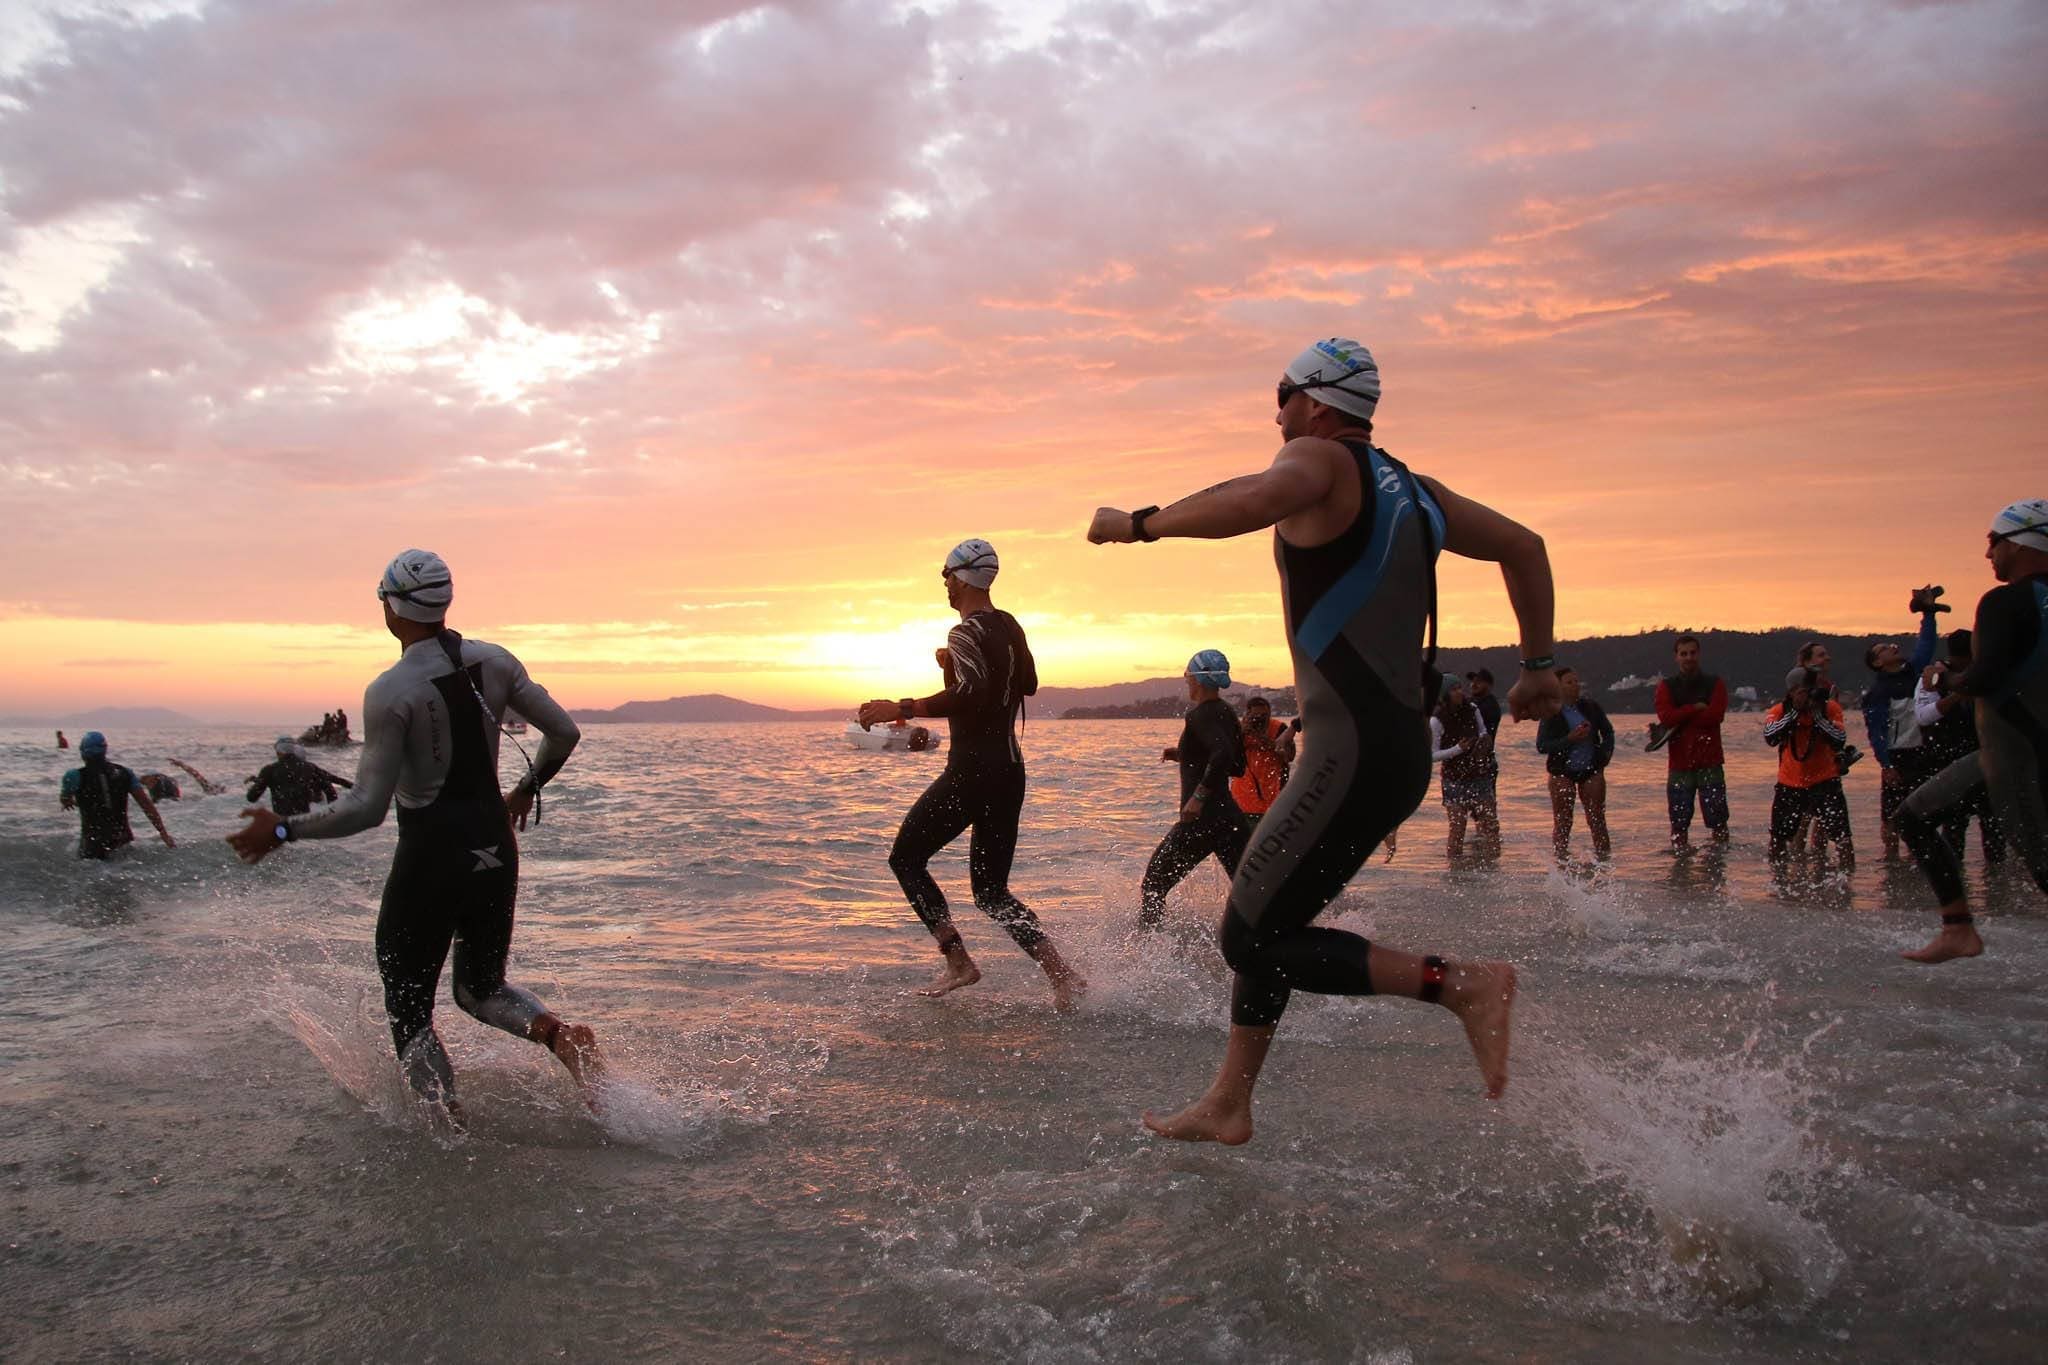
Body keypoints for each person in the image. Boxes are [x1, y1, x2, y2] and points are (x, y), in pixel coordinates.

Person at [1087, 335, 1556, 1144]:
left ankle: (1463, 984)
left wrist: (1139, 523)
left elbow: (1251, 499)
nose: (1276, 415)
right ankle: (1231, 1099)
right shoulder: (1416, 490)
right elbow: (1526, 545)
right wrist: (1539, 664)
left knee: (1247, 934)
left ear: (1316, 402)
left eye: (1281, 396)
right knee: (1274, 917)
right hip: (1393, 754)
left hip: (1348, 757)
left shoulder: (1320, 461)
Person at [227, 549, 600, 1119]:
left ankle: (446, 1123)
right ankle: (557, 1036)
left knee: (408, 1004)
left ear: (393, 607)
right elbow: (564, 732)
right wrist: (526, 787)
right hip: (495, 843)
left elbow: (365, 808)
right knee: (480, 989)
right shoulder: (497, 660)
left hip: (433, 851)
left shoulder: (392, 689)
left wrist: (283, 828)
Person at [856, 539, 1084, 1007]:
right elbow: (1028, 684)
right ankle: (1063, 976)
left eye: (946, 574)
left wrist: (901, 706)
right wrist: (955, 666)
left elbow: (971, 695)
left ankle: (957, 960)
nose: (943, 582)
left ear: (961, 578)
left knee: (906, 858)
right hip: (1009, 771)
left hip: (973, 771)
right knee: (992, 891)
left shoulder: (964, 632)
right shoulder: (1008, 624)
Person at [1897, 500, 2048, 963]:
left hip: (2013, 755)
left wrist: (1945, 679)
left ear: (2021, 540)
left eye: (1993, 542)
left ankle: (1958, 928)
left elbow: (1985, 678)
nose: (1988, 555)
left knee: (1912, 818)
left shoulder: (2007, 600)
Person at [1140, 651, 1251, 928]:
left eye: (1187, 675)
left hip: (1203, 821)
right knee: (1250, 892)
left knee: (1153, 884)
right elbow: (1237, 765)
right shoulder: (1226, 712)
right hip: (1230, 817)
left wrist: (1198, 798)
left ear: (1197, 678)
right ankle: (1270, 943)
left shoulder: (1200, 715)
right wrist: (1185, 754)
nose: (1186, 681)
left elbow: (1223, 755)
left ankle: (1147, 953)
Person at [1862, 588, 1947, 857]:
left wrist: (1928, 615)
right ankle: (1891, 862)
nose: (1892, 647)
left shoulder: (1913, 671)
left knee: (1926, 810)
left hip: (1925, 751)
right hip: (1898, 756)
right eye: (1884, 649)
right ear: (1878, 663)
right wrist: (1885, 764)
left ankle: (1919, 860)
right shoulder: (1877, 693)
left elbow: (1926, 644)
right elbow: (1875, 732)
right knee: (1891, 814)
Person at [1913, 629, 2004, 867]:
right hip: (1947, 760)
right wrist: (1956, 695)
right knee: (1953, 826)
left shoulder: (1986, 675)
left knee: (1994, 826)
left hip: (1985, 759)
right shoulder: (1932, 678)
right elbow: (1923, 717)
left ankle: (1996, 887)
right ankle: (1954, 880)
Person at [1763, 666, 1853, 866]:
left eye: (1812, 689)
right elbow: (1770, 737)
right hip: (1790, 783)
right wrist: (1794, 711)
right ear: (1792, 692)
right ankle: (1779, 881)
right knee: (1778, 838)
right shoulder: (1780, 710)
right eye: (1803, 690)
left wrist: (1817, 717)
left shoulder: (1829, 708)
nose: (1809, 694)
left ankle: (1848, 881)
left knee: (1842, 837)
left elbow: (1839, 739)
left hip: (1826, 781)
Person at [1653, 635, 1730, 851]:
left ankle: (1720, 866)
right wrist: (1694, 708)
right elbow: (1666, 718)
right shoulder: (1666, 686)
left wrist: (1681, 714)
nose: (1689, 658)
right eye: (1683, 654)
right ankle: (1680, 872)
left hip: (1710, 762)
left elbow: (1715, 717)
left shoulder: (1715, 683)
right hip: (1679, 765)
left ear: (1699, 654)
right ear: (1676, 657)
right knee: (1678, 824)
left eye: (1692, 653)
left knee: (1719, 821)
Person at [1536, 666, 1615, 860]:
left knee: (1597, 818)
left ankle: (1604, 861)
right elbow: (1542, 746)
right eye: (1569, 682)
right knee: (1563, 820)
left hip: (1591, 767)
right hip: (1561, 770)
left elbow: (1608, 732)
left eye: (1576, 681)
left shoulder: (1591, 707)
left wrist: (1605, 754)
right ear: (1558, 687)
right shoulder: (1551, 712)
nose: (1575, 685)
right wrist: (1569, 739)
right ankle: (1561, 861)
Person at [59, 731, 175, 859]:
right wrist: (163, 833)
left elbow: (65, 799)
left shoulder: (74, 776)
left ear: (83, 752)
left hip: (92, 845)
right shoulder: (125, 773)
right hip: (122, 841)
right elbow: (146, 805)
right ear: (105, 749)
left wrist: (69, 801)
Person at [1431, 674, 1499, 858]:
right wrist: (1457, 749)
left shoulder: (1473, 708)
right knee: (1458, 829)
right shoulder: (1436, 721)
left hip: (1479, 775)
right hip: (1454, 780)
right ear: (1444, 694)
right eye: (1454, 689)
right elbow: (1432, 755)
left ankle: (1493, 869)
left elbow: (1483, 730)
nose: (1460, 692)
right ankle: (1456, 872)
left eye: (1460, 687)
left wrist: (1484, 742)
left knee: (1491, 825)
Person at [1229, 694, 1295, 824]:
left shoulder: (1280, 728)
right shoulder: (1238, 729)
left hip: (1274, 799)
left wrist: (1258, 736)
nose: (1260, 720)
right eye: (1256, 716)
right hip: (1242, 800)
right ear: (1248, 714)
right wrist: (1241, 732)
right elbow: (1228, 756)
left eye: (1264, 716)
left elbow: (1290, 756)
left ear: (1270, 713)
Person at [246, 738, 341, 816]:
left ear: (278, 752)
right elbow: (331, 792)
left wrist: (257, 785)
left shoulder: (270, 770)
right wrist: (331, 813)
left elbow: (252, 797)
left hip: (282, 822)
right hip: (304, 822)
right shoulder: (310, 767)